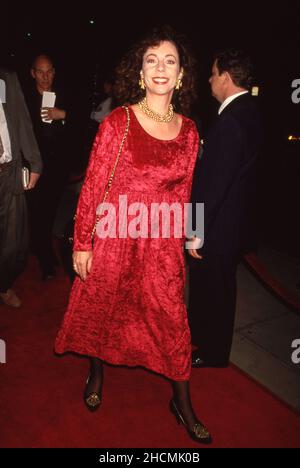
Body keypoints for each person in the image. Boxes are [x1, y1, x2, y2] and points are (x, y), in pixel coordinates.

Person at [55, 26, 212, 444]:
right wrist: (83, 242)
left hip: (160, 244)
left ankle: (181, 402)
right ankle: (96, 370)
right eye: (152, 60)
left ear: (181, 74)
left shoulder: (191, 130)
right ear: (140, 72)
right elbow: (93, 184)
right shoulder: (118, 121)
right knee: (103, 311)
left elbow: (185, 191)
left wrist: (192, 235)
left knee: (174, 321)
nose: (160, 68)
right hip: (116, 235)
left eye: (170, 61)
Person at [188, 49, 263, 368]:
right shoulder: (252, 110)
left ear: (226, 78)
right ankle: (204, 338)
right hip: (232, 223)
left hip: (218, 226)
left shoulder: (231, 120)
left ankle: (213, 352)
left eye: (213, 73)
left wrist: (195, 230)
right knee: (218, 288)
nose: (209, 79)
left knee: (215, 290)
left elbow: (214, 184)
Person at [25, 54, 70, 280]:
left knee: (50, 208)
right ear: (33, 73)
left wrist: (62, 114)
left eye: (50, 71)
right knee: (37, 210)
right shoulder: (24, 98)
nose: (45, 76)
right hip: (34, 166)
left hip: (58, 165)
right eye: (40, 71)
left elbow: (82, 124)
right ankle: (43, 253)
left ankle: (39, 245)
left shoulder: (63, 95)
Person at [0, 68, 42, 307]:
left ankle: (3, 284)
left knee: (13, 240)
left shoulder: (7, 79)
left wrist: (34, 162)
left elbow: (23, 122)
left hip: (9, 171)